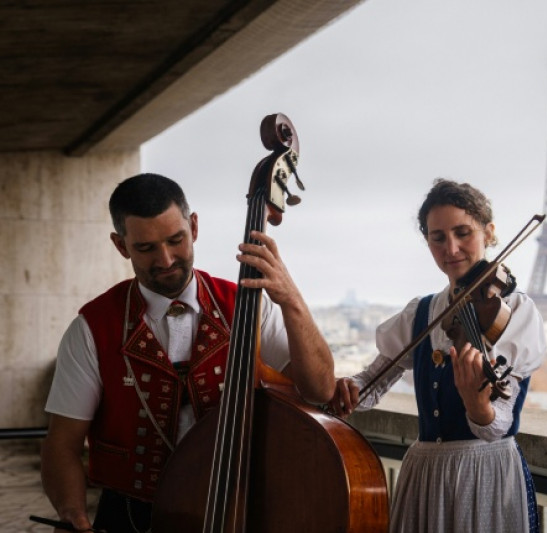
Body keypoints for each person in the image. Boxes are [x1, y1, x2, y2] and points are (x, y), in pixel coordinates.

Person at [41, 173, 336, 533]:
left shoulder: (251, 305)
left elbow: (320, 391)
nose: (165, 260)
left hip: (239, 510)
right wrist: (72, 515)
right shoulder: (91, 327)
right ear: (121, 245)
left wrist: (291, 298)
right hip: (133, 516)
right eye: (146, 248)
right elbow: (63, 444)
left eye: (175, 240)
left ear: (194, 227)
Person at [327, 179, 546, 533]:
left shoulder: (515, 310)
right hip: (426, 472)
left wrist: (478, 406)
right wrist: (351, 387)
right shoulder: (422, 312)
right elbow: (372, 382)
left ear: (489, 233)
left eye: (463, 233)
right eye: (438, 237)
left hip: (485, 471)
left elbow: (499, 424)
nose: (452, 248)